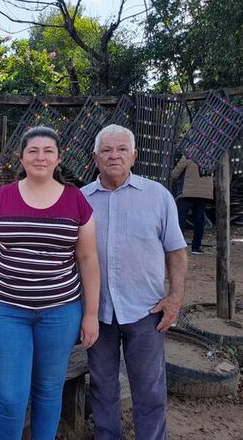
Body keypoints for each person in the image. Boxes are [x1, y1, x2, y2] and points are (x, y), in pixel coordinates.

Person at [0, 126, 100, 440]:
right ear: (21, 157)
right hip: (7, 311)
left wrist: (91, 313)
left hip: (61, 313)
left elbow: (87, 259)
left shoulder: (76, 201)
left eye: (48, 151)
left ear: (58, 158)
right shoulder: (2, 198)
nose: (40, 157)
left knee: (47, 389)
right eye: (33, 151)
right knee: (9, 396)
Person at [81, 124, 187, 440]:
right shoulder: (80, 200)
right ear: (95, 157)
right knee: (102, 385)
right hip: (97, 313)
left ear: (134, 155)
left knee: (150, 389)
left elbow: (177, 251)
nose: (114, 155)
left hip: (146, 310)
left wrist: (175, 298)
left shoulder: (158, 197)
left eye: (122, 149)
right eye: (107, 150)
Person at [171, 155, 214, 254]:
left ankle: (178, 247)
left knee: (180, 219)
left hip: (187, 193)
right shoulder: (210, 157)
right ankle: (196, 247)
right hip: (204, 194)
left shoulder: (188, 156)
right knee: (199, 220)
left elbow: (175, 173)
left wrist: (172, 181)